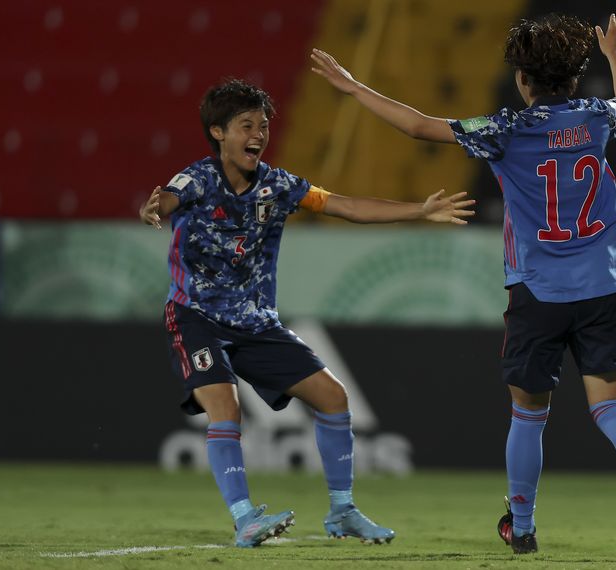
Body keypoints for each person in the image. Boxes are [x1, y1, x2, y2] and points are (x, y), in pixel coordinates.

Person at [311, 12, 616, 554]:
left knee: (528, 415)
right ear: (574, 79)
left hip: (537, 293)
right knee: (610, 408)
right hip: (603, 289)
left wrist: (355, 87)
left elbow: (419, 126)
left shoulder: (504, 130)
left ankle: (521, 528)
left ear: (523, 80)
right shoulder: (597, 117)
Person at [138, 78, 475, 548]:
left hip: (255, 322)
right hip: (196, 316)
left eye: (263, 126)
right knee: (225, 407)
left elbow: (345, 206)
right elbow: (167, 200)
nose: (258, 135)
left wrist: (418, 211)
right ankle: (244, 519)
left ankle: (343, 511)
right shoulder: (197, 179)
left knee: (333, 397)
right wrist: (154, 207)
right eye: (246, 125)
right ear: (218, 132)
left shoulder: (279, 186)